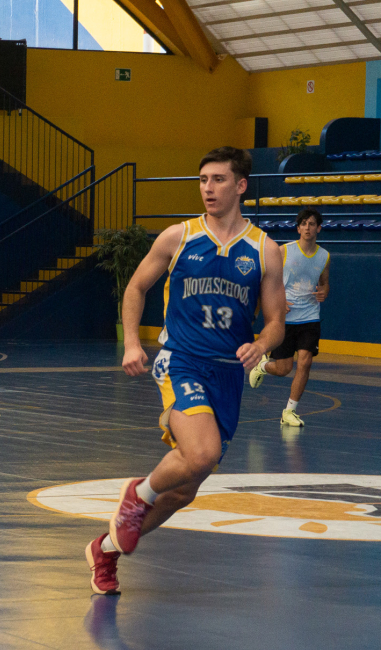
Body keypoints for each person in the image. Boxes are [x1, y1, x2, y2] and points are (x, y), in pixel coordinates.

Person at [85, 147, 286, 595]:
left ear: (241, 185)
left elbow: (276, 321)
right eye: (202, 180)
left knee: (184, 490)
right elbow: (136, 287)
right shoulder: (179, 236)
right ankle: (137, 494)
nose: (208, 188)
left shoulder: (265, 250)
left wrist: (260, 345)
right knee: (201, 454)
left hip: (228, 374)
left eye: (218, 179)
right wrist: (132, 342)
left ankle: (105, 549)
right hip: (181, 361)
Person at [248, 208, 329, 427]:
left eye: (312, 224)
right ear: (298, 228)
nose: (307, 228)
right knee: (284, 369)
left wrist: (324, 291)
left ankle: (289, 412)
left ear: (319, 228)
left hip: (310, 317)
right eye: (303, 224)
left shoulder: (324, 256)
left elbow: (324, 283)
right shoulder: (283, 251)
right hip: (285, 317)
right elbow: (266, 279)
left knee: (305, 361)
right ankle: (263, 367)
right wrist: (277, 301)